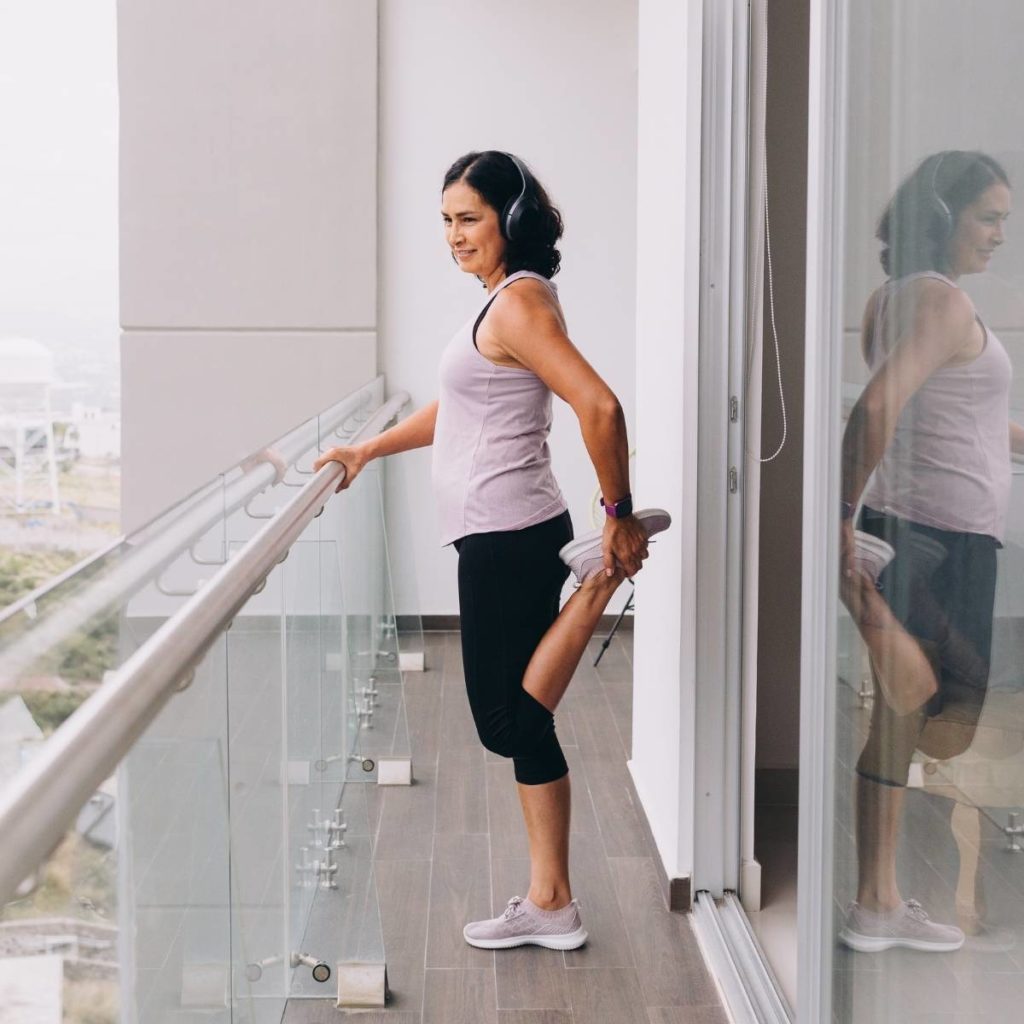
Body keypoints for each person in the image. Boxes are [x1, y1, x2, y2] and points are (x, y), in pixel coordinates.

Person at [314, 150, 669, 951]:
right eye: (445, 220)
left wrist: (614, 512)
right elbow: (458, 410)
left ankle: (604, 571)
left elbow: (600, 407)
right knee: (522, 721)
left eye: (468, 218)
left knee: (509, 721)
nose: (453, 235)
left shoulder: (516, 305)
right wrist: (368, 450)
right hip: (512, 527)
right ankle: (552, 902)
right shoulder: (510, 302)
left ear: (510, 220)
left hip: (505, 536)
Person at [837, 150, 1020, 953]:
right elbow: (877, 408)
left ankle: (877, 905)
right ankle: (877, 900)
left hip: (928, 532)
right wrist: (840, 526)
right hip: (936, 541)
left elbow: (953, 418)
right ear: (943, 219)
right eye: (989, 217)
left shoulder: (895, 298)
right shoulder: (942, 304)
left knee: (908, 719)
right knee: (939, 724)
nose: (1000, 236)